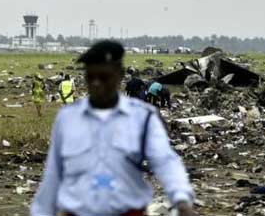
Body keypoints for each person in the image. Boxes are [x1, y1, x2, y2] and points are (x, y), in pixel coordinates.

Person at [31, 40, 197, 216]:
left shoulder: (142, 117)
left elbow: (165, 161)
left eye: (104, 77)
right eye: (90, 77)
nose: (96, 83)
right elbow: (53, 175)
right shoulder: (68, 119)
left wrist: (181, 198)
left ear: (119, 76)